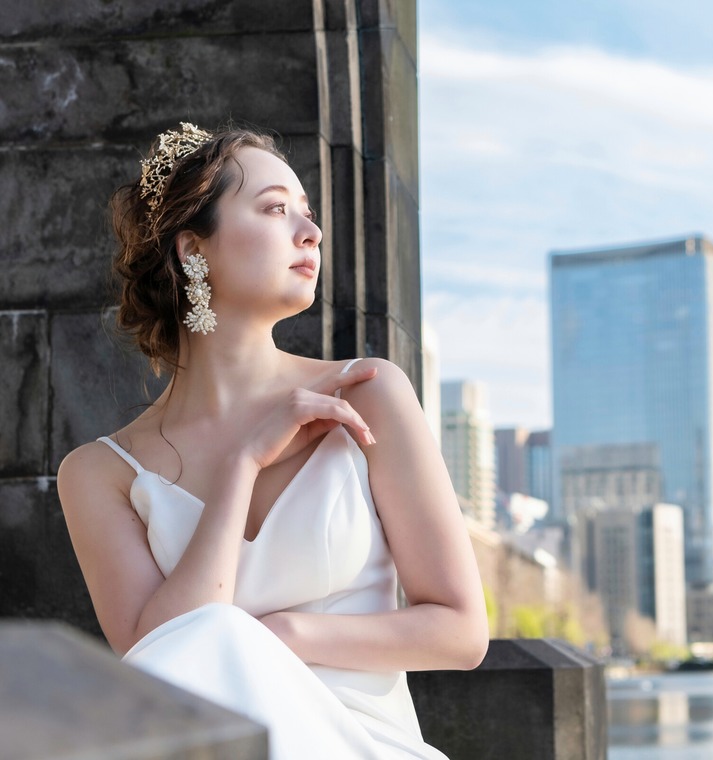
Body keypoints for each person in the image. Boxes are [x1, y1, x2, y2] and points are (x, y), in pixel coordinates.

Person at [57, 123, 488, 759]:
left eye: (308, 214)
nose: (309, 232)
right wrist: (242, 465)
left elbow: (460, 631)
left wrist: (279, 637)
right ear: (192, 251)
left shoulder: (367, 392)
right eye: (275, 209)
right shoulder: (99, 473)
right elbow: (162, 657)